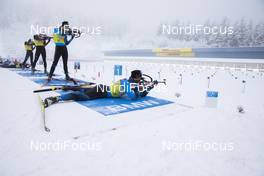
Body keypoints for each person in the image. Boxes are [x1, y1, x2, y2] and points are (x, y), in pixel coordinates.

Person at [43, 70, 157, 108]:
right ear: (135, 78)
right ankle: (54, 99)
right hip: (101, 91)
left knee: (82, 90)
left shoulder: (131, 83)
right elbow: (132, 97)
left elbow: (139, 93)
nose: (140, 80)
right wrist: (139, 90)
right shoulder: (126, 83)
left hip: (102, 89)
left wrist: (148, 89)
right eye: (139, 78)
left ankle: (67, 87)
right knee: (81, 96)